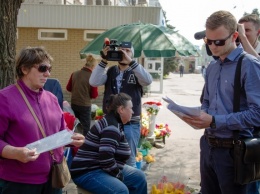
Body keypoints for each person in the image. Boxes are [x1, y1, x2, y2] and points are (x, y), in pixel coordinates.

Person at [183, 11, 260, 194]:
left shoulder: (249, 64)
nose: (213, 46)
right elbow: (207, 102)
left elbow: (257, 114)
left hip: (236, 152)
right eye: (208, 41)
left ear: (234, 36)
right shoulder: (212, 67)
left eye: (218, 42)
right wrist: (198, 116)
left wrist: (215, 121)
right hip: (208, 147)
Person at [0, 46, 85, 194]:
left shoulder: (51, 98)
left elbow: (61, 130)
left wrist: (71, 139)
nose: (47, 73)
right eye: (42, 68)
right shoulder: (5, 98)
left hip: (53, 179)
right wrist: (15, 153)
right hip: (19, 183)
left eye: (49, 68)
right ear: (24, 69)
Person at [89, 43, 153, 167]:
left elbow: (147, 80)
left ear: (132, 54)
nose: (123, 53)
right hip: (110, 123)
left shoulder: (136, 71)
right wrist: (104, 60)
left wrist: (131, 62)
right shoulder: (111, 71)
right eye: (121, 50)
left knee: (129, 160)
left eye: (127, 51)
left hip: (130, 123)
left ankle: (129, 185)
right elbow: (93, 82)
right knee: (108, 157)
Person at [70, 93, 147, 194]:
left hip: (100, 167)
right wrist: (118, 175)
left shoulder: (114, 122)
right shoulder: (111, 127)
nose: (133, 112)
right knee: (120, 190)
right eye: (130, 108)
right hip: (87, 171)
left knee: (139, 177)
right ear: (121, 110)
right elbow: (106, 159)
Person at [238, 13, 260, 194]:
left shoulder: (252, 54)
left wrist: (242, 39)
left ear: (258, 32)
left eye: (247, 31)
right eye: (240, 30)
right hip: (244, 123)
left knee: (254, 175)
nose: (242, 34)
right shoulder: (238, 52)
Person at [66, 55, 98, 136]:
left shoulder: (74, 74)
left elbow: (68, 88)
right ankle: (84, 145)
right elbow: (94, 95)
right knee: (85, 128)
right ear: (93, 66)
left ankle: (74, 144)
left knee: (75, 125)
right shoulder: (92, 77)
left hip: (74, 103)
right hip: (85, 105)